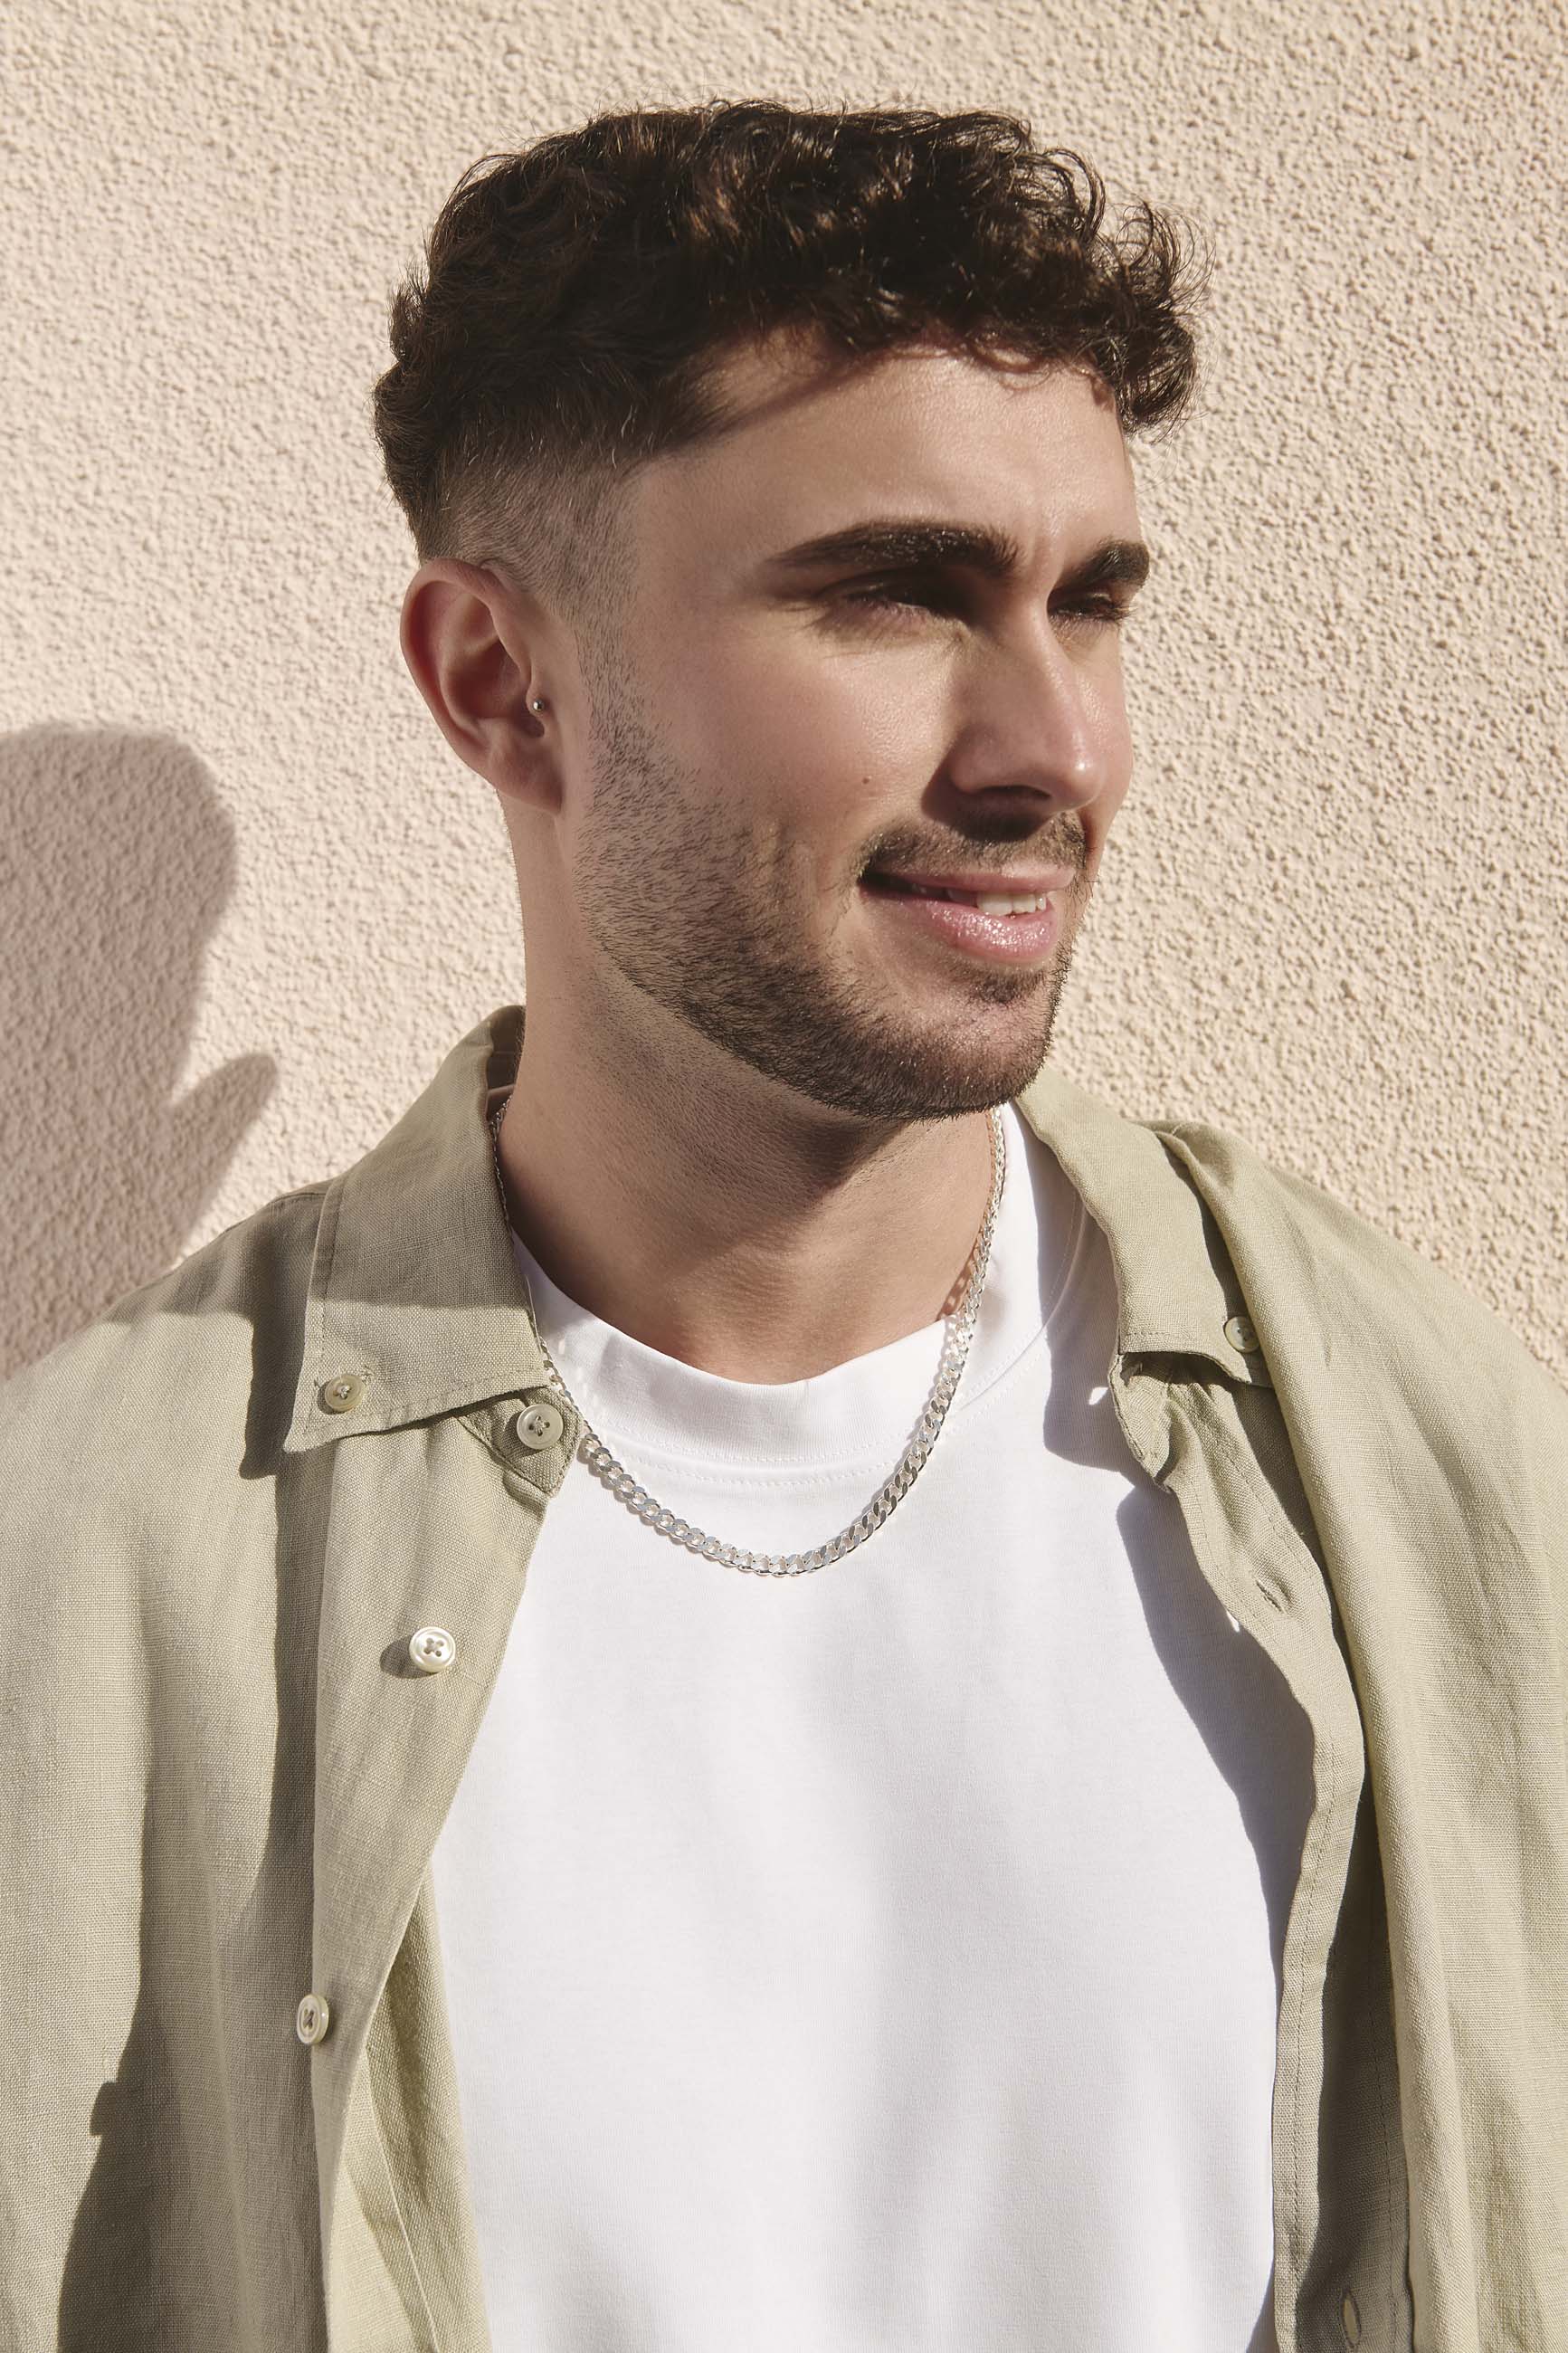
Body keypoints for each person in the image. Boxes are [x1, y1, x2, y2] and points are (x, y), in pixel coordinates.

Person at [4, 98, 1563, 2353]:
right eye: (899, 594)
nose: (1058, 750)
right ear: (501, 683)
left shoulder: (1414, 1462)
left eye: (1090, 601)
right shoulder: (98, 1560)